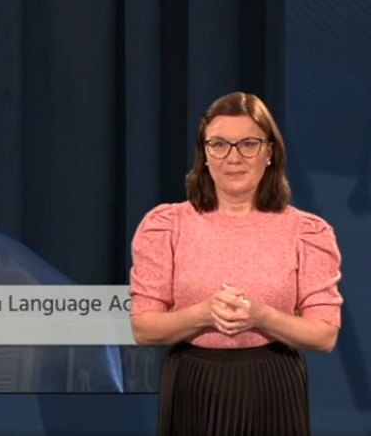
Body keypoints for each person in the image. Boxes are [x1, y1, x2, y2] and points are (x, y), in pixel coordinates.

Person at [128, 91, 344, 435]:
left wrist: (262, 316)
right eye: (219, 144)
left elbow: (325, 335)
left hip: (273, 387)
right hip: (193, 385)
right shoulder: (167, 226)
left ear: (270, 153)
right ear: (205, 154)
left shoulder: (306, 231)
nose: (234, 157)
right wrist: (203, 313)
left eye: (248, 144)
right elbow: (144, 328)